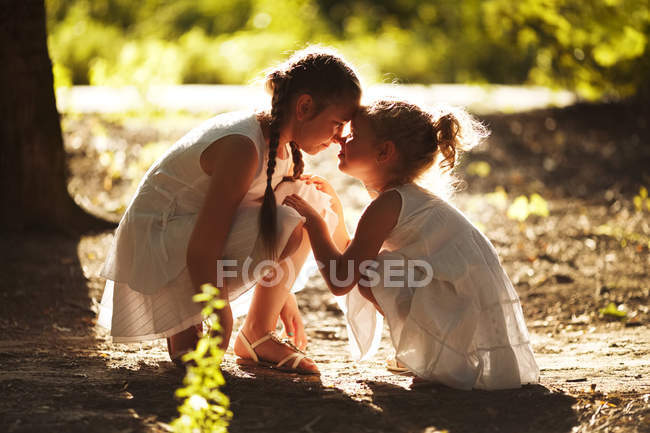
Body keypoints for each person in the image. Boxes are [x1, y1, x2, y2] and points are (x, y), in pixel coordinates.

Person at [97, 47, 361, 375]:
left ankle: (257, 333)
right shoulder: (243, 147)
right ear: (305, 107)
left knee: (308, 200)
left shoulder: (284, 144)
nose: (339, 139)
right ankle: (184, 320)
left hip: (195, 238)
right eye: (337, 125)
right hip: (161, 242)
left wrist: (280, 295)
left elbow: (259, 224)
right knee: (296, 212)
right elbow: (204, 246)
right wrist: (220, 315)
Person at [283, 100, 540, 389]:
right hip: (458, 296)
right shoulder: (400, 197)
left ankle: (435, 355)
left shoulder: (389, 203)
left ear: (384, 152)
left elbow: (342, 277)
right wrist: (335, 212)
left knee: (371, 273)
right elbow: (350, 259)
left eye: (352, 135)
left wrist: (315, 225)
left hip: (459, 299)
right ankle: (434, 352)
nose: (340, 137)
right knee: (369, 268)